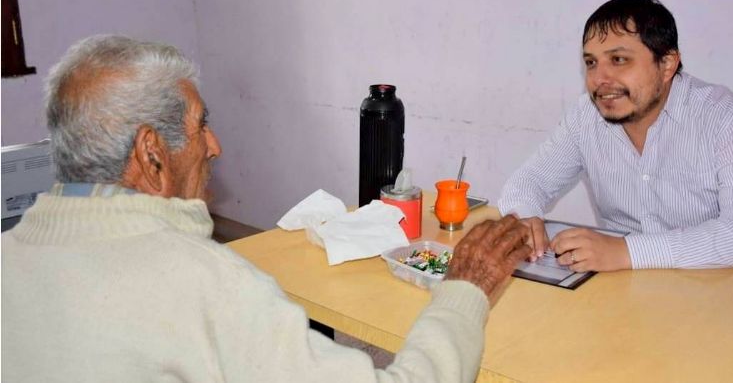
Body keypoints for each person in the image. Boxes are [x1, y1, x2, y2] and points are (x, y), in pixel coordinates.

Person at [2, 35, 532, 382]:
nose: (214, 146)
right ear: (151, 155)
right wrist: (465, 290)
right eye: (199, 125)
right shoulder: (203, 282)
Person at [498, 0, 733, 271]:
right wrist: (525, 219)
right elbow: (528, 182)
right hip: (620, 289)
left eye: (618, 59)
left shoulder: (728, 118)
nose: (600, 79)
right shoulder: (586, 117)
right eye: (591, 63)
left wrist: (626, 252)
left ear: (666, 64)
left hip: (707, 290)